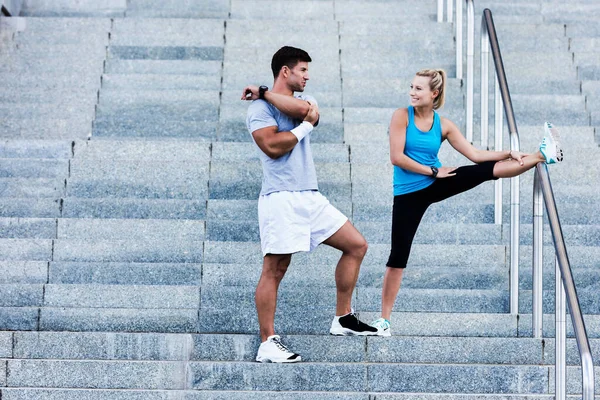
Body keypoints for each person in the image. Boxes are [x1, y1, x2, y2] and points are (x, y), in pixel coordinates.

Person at [370, 68, 564, 336]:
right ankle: (384, 320)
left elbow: (474, 154)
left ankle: (541, 155)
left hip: (436, 180)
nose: (412, 92)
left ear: (434, 93)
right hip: (408, 193)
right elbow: (396, 157)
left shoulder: (444, 124)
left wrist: (509, 151)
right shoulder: (401, 116)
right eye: (412, 87)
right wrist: (433, 171)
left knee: (482, 172)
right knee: (398, 255)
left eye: (418, 89)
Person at [242, 46, 378, 363]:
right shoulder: (257, 111)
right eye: (302, 70)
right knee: (274, 269)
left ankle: (343, 317)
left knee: (356, 245)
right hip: (280, 197)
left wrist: (263, 90)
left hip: (310, 195)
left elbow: (305, 112)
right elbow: (274, 146)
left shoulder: (302, 102)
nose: (307, 76)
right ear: (285, 71)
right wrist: (303, 128)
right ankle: (267, 342)